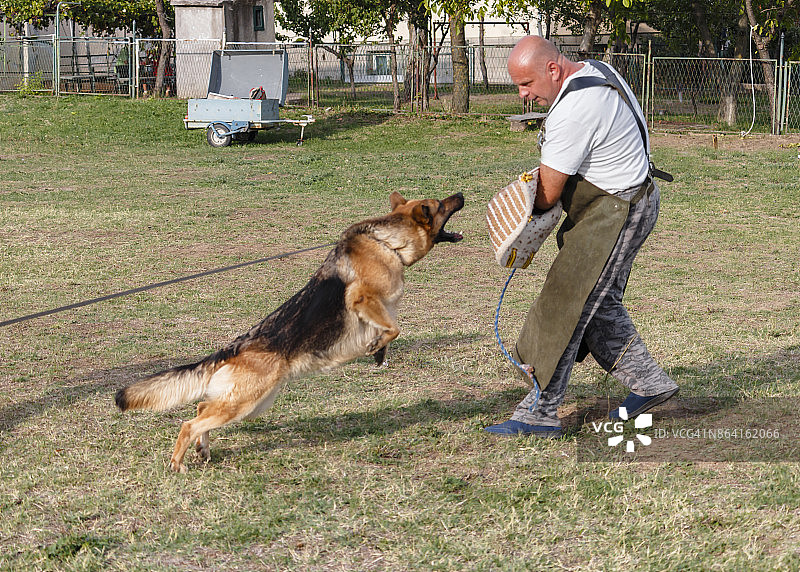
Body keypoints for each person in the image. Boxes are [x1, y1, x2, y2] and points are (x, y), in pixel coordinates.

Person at [485, 36, 679, 437]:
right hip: (629, 200)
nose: (523, 95)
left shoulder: (573, 111)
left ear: (553, 69)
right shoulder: (597, 71)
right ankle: (650, 384)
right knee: (597, 303)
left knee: (567, 304)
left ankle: (538, 414)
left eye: (527, 84)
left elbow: (548, 193)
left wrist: (523, 212)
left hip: (617, 211)